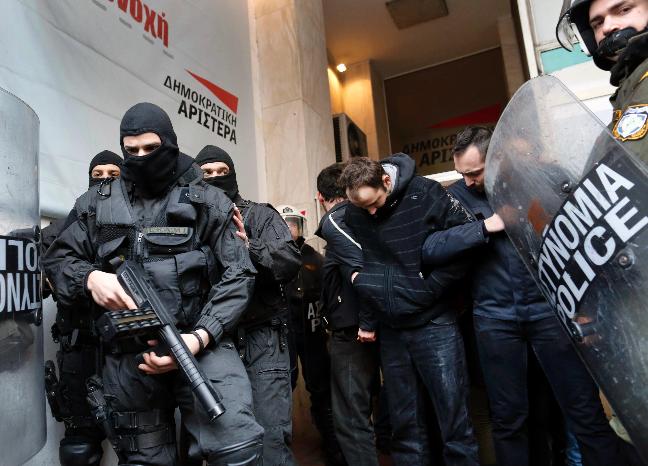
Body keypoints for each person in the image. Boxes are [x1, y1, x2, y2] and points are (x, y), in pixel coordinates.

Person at [43, 102, 264, 466]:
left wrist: (200, 336)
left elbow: (239, 273)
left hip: (200, 342)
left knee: (236, 448)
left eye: (151, 147)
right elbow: (57, 259)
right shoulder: (98, 203)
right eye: (132, 150)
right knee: (144, 459)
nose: (142, 157)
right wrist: (90, 278)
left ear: (170, 143)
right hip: (130, 354)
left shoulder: (207, 199)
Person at [421, 126, 625, 466]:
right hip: (495, 319)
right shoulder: (455, 197)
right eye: (462, 173)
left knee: (584, 411)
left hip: (553, 313)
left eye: (475, 172)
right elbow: (430, 248)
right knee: (508, 419)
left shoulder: (543, 179)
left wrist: (589, 307)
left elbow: (587, 245)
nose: (468, 181)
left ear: (497, 157)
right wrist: (485, 227)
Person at [338, 154, 479, 466]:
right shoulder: (356, 211)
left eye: (373, 203)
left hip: (435, 324)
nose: (370, 213)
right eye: (361, 207)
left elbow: (466, 245)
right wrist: (369, 319)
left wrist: (429, 289)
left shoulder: (426, 192)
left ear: (386, 181)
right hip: (392, 330)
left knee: (455, 424)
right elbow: (370, 268)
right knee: (405, 429)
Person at [195, 144, 301, 466]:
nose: (215, 177)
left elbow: (288, 261)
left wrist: (249, 246)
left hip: (263, 337)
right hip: (214, 342)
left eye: (221, 171)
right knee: (228, 443)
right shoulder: (192, 220)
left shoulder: (260, 214)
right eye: (206, 173)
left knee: (271, 440)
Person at [41, 150, 122, 466]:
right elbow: (32, 272)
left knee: (141, 443)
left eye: (113, 175)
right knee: (79, 449)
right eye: (97, 175)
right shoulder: (63, 229)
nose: (104, 181)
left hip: (125, 351)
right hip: (79, 352)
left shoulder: (138, 227)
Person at [314, 163, 380, 466]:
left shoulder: (336, 222)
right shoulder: (366, 217)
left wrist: (365, 322)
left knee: (351, 420)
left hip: (354, 332)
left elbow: (362, 273)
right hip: (372, 325)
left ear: (320, 197)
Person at [280, 205, 346, 466]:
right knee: (282, 390)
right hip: (284, 335)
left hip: (313, 332)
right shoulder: (272, 257)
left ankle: (335, 448)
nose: (289, 229)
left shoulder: (316, 259)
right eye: (284, 223)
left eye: (293, 224)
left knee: (321, 389)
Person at [558, 0, 648, 161]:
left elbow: (629, 169)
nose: (606, 27)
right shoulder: (631, 85)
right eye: (598, 24)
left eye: (624, 10)